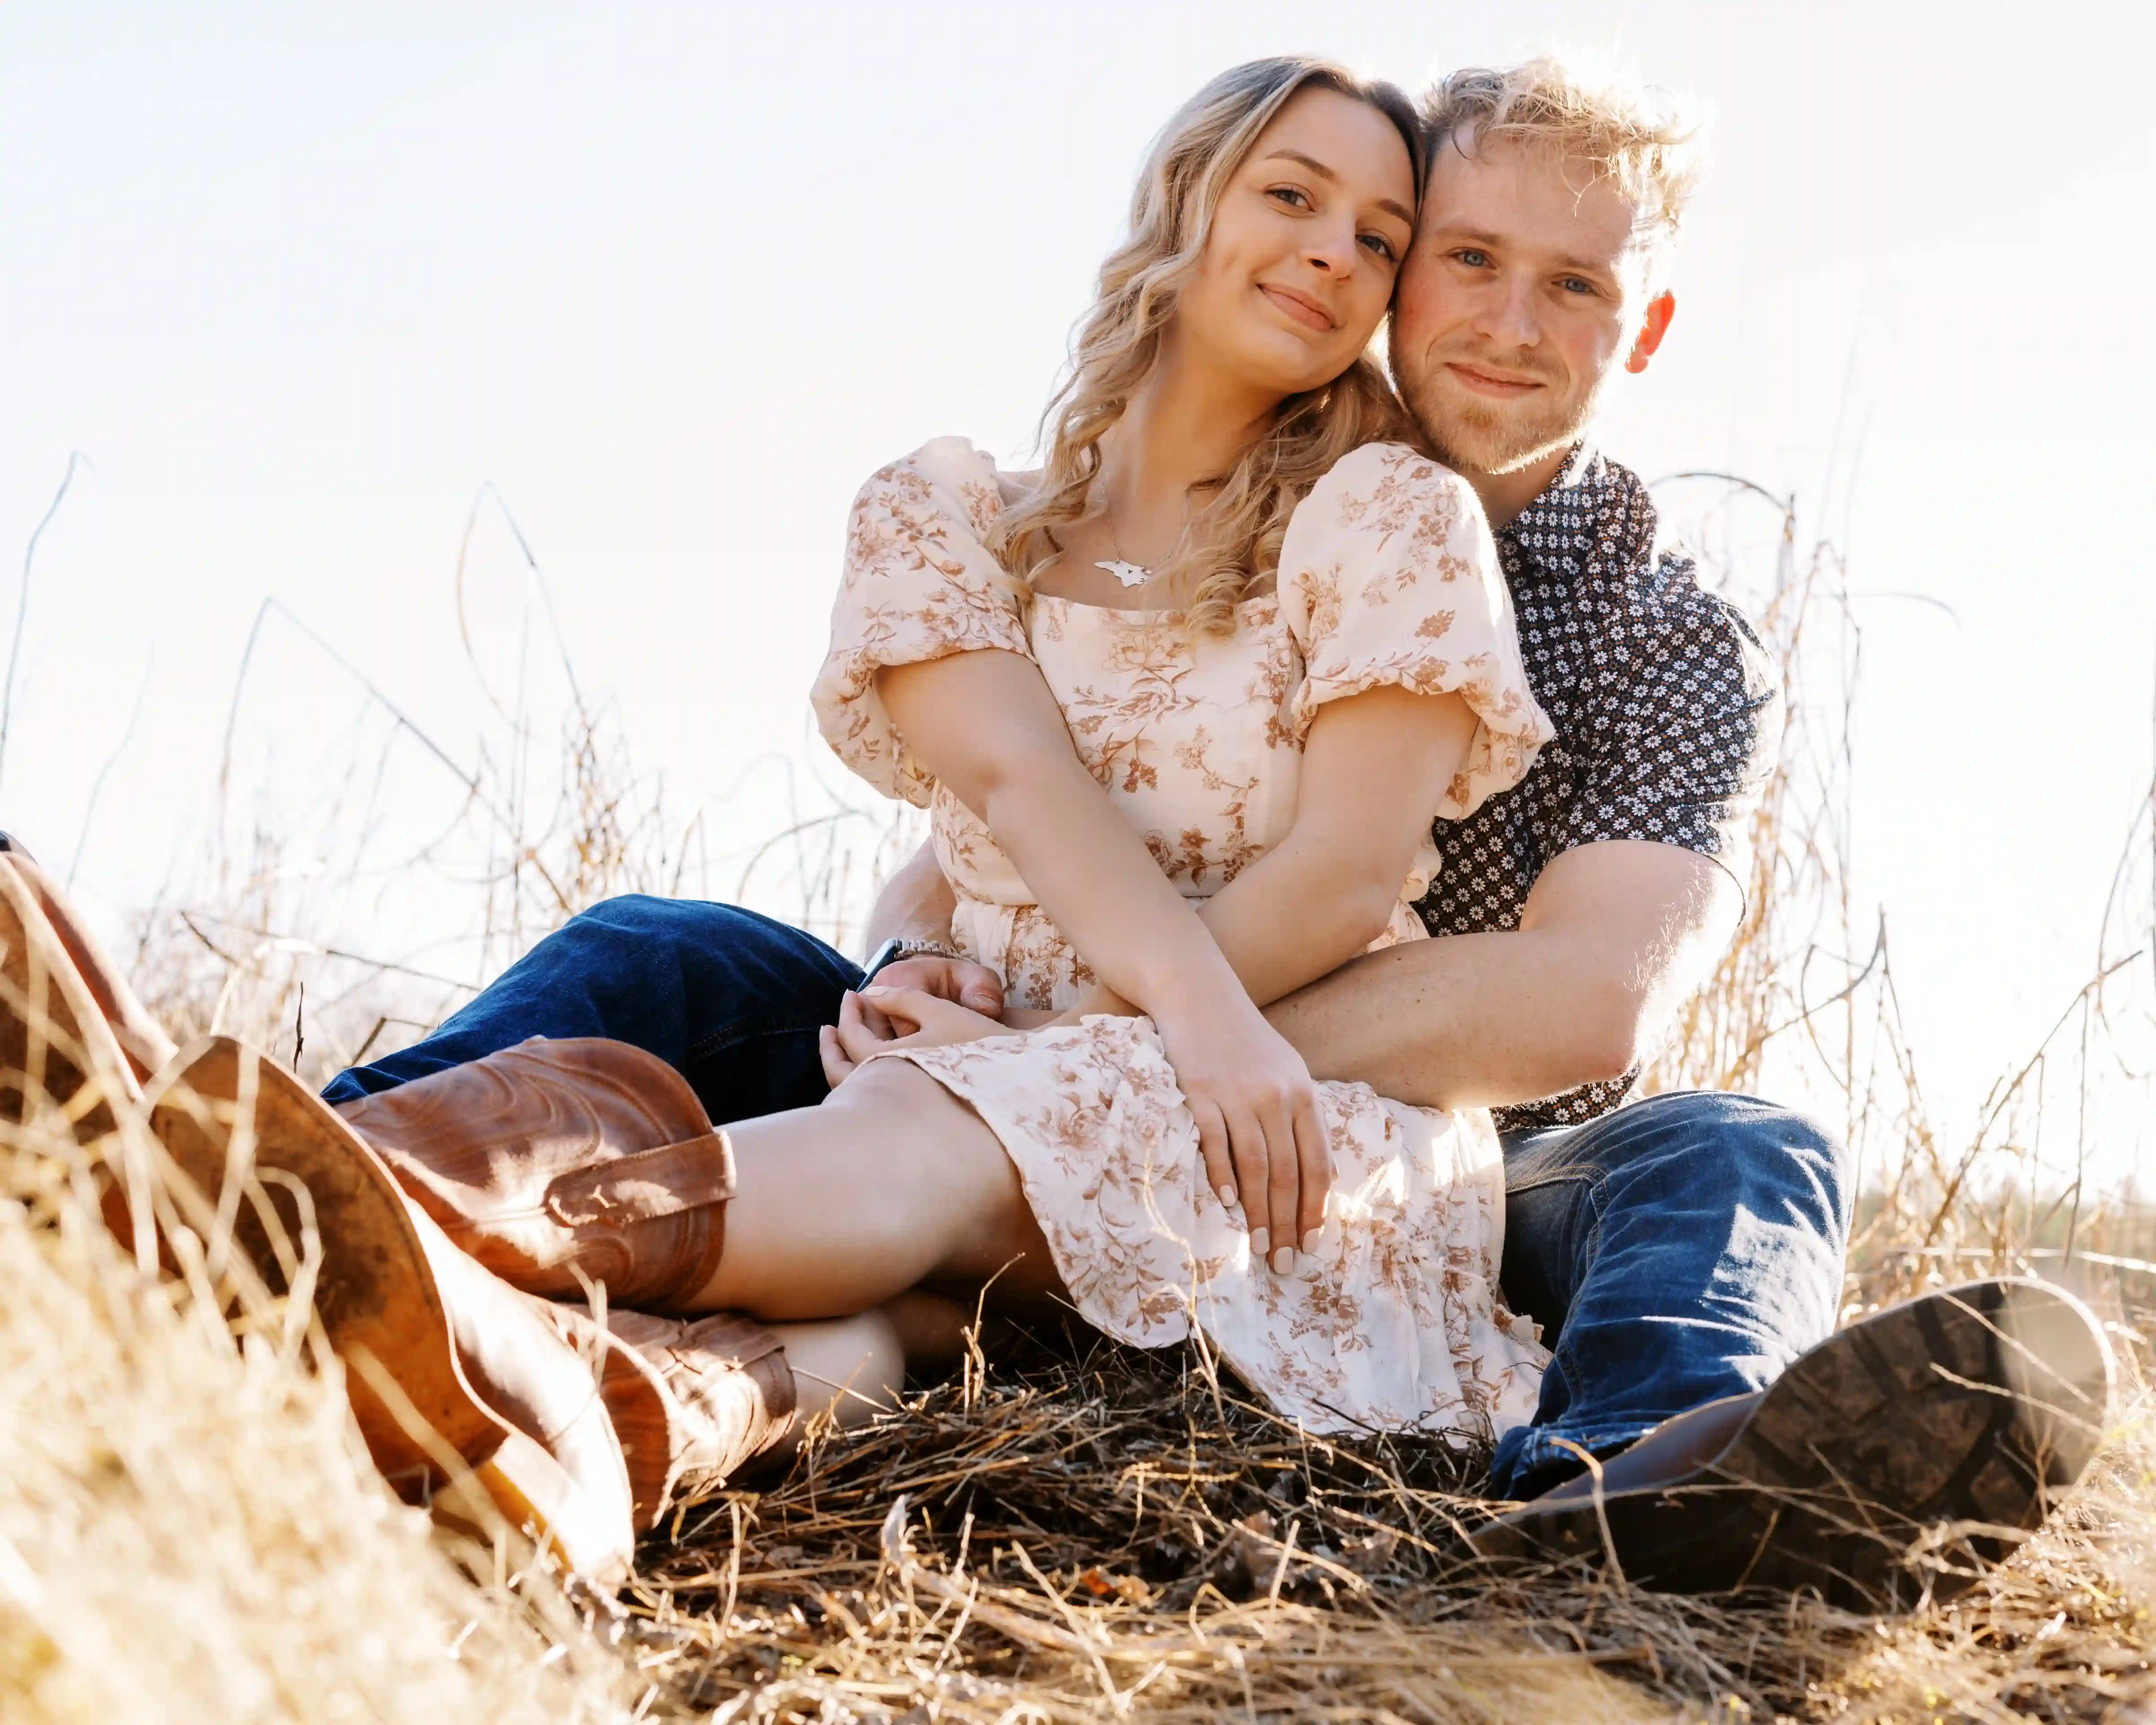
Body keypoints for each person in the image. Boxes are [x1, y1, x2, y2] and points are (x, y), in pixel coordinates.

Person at [4, 52, 2112, 1608]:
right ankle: (222, 1179)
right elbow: (1001, 823)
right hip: (1061, 1018)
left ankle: (1656, 1474)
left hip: (1426, 1132)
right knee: (676, 949)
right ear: (1380, 278)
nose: (1501, 317)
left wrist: (1124, 1033)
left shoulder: (1657, 638)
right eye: (1456, 258)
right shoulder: (1224, 500)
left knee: (1738, 1149)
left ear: (1639, 330)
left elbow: (1572, 997)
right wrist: (939, 964)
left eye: (1573, 289)